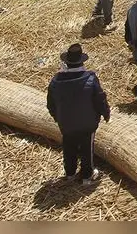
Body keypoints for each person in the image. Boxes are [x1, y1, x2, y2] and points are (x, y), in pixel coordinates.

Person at [46, 44, 111, 185]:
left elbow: (51, 104)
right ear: (82, 61)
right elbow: (100, 99)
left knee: (69, 146)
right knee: (87, 148)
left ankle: (70, 174)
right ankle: (87, 176)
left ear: (67, 63)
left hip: (66, 124)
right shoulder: (90, 79)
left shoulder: (56, 81)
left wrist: (58, 118)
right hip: (87, 123)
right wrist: (105, 113)